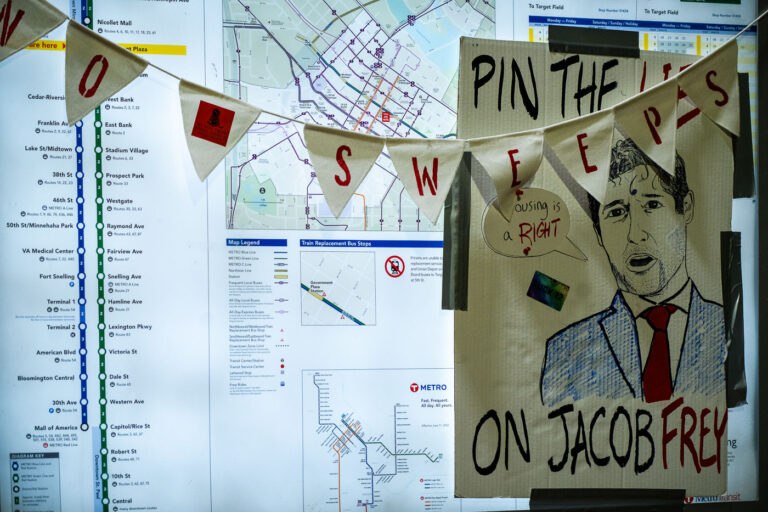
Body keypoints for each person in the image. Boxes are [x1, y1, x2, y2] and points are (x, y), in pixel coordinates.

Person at [540, 138, 726, 407]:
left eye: (652, 205)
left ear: (685, 207)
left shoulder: (727, 329)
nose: (635, 234)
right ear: (599, 233)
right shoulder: (565, 352)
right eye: (617, 212)